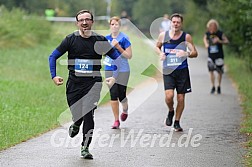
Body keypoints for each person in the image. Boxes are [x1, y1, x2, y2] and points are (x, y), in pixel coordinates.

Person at [48, 10, 120, 159]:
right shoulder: (70, 40)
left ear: (92, 22)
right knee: (78, 115)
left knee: (88, 114)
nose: (85, 22)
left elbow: (117, 58)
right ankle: (76, 123)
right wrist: (54, 76)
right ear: (77, 23)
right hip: (74, 84)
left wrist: (113, 76)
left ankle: (85, 147)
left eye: (87, 19)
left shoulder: (99, 40)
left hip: (93, 84)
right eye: (81, 20)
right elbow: (53, 56)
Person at [156, 13, 198, 132]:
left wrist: (187, 53)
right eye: (174, 22)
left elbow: (195, 52)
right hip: (168, 70)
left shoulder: (186, 37)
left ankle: (177, 122)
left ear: (181, 24)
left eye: (178, 22)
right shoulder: (163, 36)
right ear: (170, 23)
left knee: (180, 98)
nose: (176, 24)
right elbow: (157, 47)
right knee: (169, 97)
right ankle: (170, 111)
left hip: (182, 71)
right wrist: (160, 53)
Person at [103, 16, 132, 129]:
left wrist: (118, 47)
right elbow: (104, 54)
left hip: (123, 70)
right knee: (113, 94)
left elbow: (129, 56)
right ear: (110, 26)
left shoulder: (124, 38)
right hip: (109, 68)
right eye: (112, 24)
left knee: (121, 95)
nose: (114, 26)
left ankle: (125, 110)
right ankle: (116, 120)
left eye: (116, 24)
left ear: (119, 26)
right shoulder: (106, 39)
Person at [203, 19, 229, 94]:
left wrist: (219, 41)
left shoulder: (220, 33)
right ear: (208, 26)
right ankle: (213, 86)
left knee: (219, 72)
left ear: (216, 26)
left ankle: (219, 86)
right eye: (211, 26)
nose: (212, 27)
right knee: (211, 71)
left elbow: (227, 41)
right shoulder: (207, 33)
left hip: (219, 56)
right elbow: (204, 39)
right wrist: (206, 44)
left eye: (214, 26)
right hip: (211, 56)